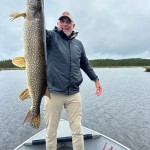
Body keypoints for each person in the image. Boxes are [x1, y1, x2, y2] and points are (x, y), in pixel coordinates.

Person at [44, 11, 102, 150]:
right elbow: (37, 29)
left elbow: (85, 64)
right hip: (53, 93)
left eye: (68, 22)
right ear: (57, 23)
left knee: (77, 131)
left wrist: (96, 79)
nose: (65, 24)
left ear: (73, 25)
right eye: (62, 21)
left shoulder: (78, 44)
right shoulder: (50, 37)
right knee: (51, 133)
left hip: (74, 94)